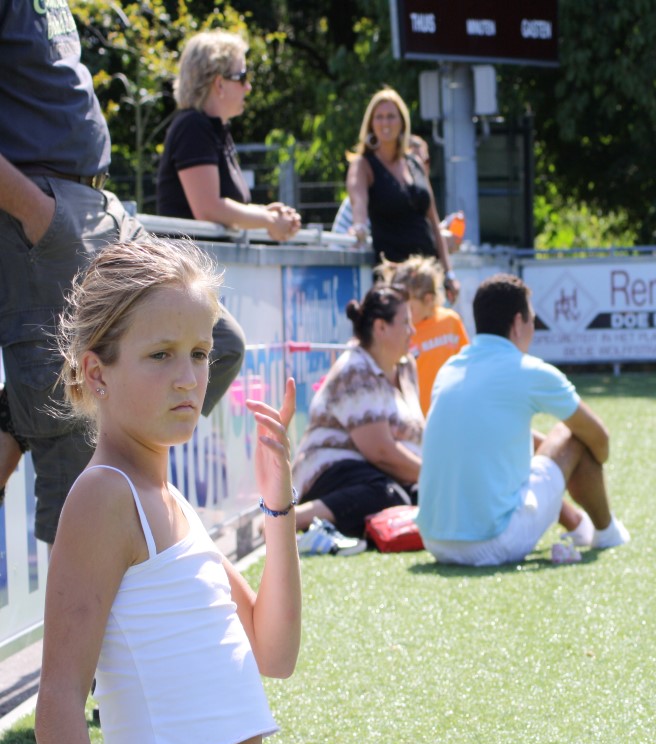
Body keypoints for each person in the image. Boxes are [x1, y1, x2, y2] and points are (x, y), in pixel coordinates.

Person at [35, 238, 301, 744]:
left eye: (200, 353)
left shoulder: (166, 498)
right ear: (97, 373)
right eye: (161, 355)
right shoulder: (106, 496)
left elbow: (274, 653)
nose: (189, 379)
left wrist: (278, 507)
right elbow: (59, 702)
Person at [0, 1, 245, 544]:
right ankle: (29, 414)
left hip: (98, 202)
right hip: (42, 213)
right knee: (73, 432)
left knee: (221, 341)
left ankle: (20, 413)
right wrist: (37, 213)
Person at [417, 273, 631, 567]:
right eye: (533, 320)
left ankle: (581, 526)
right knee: (572, 433)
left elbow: (487, 434)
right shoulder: (529, 370)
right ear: (518, 323)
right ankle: (607, 532)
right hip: (492, 542)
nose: (533, 328)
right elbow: (599, 439)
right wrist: (586, 460)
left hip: (434, 541)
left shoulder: (449, 369)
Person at [292, 286, 423, 540]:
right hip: (330, 475)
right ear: (380, 327)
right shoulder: (355, 369)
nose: (413, 330)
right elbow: (381, 452)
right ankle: (290, 520)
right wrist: (433, 476)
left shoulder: (407, 368)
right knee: (389, 495)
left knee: (415, 497)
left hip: (378, 477)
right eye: (406, 322)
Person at [157, 30, 302, 241]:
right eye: (242, 77)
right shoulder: (193, 126)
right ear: (219, 83)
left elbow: (221, 208)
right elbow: (208, 209)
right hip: (187, 261)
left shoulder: (212, 129)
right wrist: (268, 219)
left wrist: (265, 213)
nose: (248, 87)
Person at [345, 89, 460, 301]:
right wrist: (358, 226)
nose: (385, 122)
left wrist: (449, 273)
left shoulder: (414, 163)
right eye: (379, 117)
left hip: (428, 275)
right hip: (394, 277)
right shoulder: (363, 164)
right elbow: (358, 200)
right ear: (370, 123)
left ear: (402, 122)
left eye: (391, 116)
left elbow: (433, 222)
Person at [377, 256, 469, 415]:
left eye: (409, 308)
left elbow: (466, 364)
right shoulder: (398, 331)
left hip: (451, 414)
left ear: (429, 299)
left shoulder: (451, 321)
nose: (401, 313)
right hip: (415, 417)